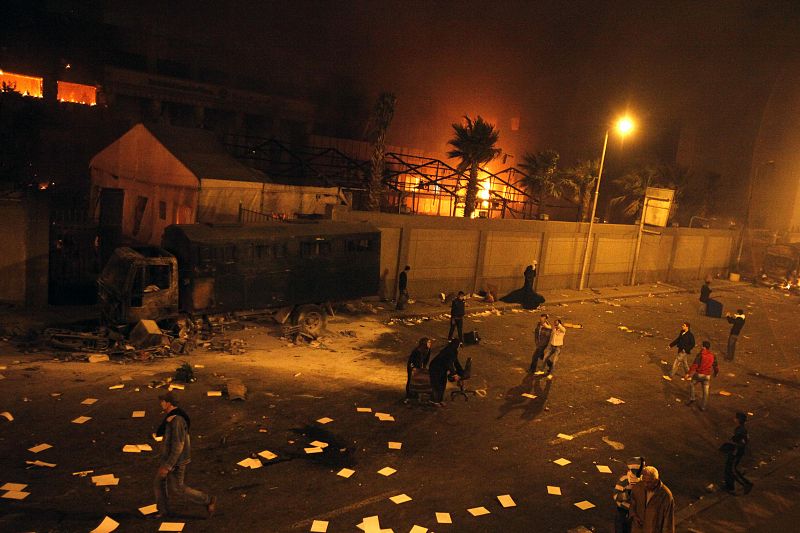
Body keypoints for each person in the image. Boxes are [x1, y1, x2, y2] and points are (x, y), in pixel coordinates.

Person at [154, 391, 216, 518]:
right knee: (159, 482)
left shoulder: (177, 421)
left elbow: (178, 445)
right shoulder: (172, 417)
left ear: (168, 403)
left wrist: (168, 466)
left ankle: (208, 500)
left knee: (178, 488)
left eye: (162, 402)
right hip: (169, 458)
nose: (160, 404)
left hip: (176, 461)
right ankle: (163, 510)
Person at [629, 466, 674, 533]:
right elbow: (632, 504)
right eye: (644, 481)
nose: (645, 485)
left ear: (656, 480)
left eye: (649, 482)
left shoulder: (665, 496)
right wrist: (634, 516)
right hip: (637, 529)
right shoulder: (638, 487)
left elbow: (668, 522)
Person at [723, 411, 753, 495]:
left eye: (736, 418)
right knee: (730, 469)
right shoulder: (742, 429)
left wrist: (732, 447)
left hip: (736, 452)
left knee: (731, 469)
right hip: (737, 451)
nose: (734, 419)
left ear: (738, 420)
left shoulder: (739, 430)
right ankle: (730, 486)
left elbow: (740, 442)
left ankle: (745, 484)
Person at [613, 457, 646, 533]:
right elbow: (615, 496)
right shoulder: (624, 480)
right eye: (642, 467)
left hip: (635, 512)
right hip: (623, 512)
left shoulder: (642, 480)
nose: (645, 468)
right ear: (637, 470)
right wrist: (628, 493)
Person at [428, 339, 464, 406]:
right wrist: (454, 374)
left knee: (442, 384)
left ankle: (439, 400)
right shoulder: (449, 351)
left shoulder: (453, 351)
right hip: (435, 368)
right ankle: (434, 401)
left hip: (442, 369)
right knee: (437, 385)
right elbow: (449, 363)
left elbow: (456, 362)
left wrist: (461, 371)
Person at [685, 340, 719, 411]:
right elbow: (715, 366)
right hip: (707, 376)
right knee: (706, 392)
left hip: (699, 374)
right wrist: (716, 373)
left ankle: (692, 398)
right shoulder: (713, 355)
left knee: (692, 384)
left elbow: (695, 365)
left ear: (703, 347)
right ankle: (703, 407)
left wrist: (689, 374)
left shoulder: (700, 355)